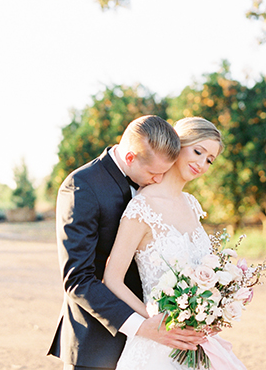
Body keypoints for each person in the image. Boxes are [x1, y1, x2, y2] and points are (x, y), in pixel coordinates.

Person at [47, 114, 204, 370]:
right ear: (130, 158)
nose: (157, 180)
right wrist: (141, 325)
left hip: (156, 345)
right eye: (153, 173)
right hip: (97, 345)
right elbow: (78, 279)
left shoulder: (162, 190)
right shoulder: (81, 186)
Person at [104, 116, 247, 370]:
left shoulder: (191, 204)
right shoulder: (141, 207)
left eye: (209, 160)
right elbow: (112, 279)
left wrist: (228, 291)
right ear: (178, 144)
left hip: (195, 344)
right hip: (156, 346)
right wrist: (151, 321)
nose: (202, 163)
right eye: (198, 151)